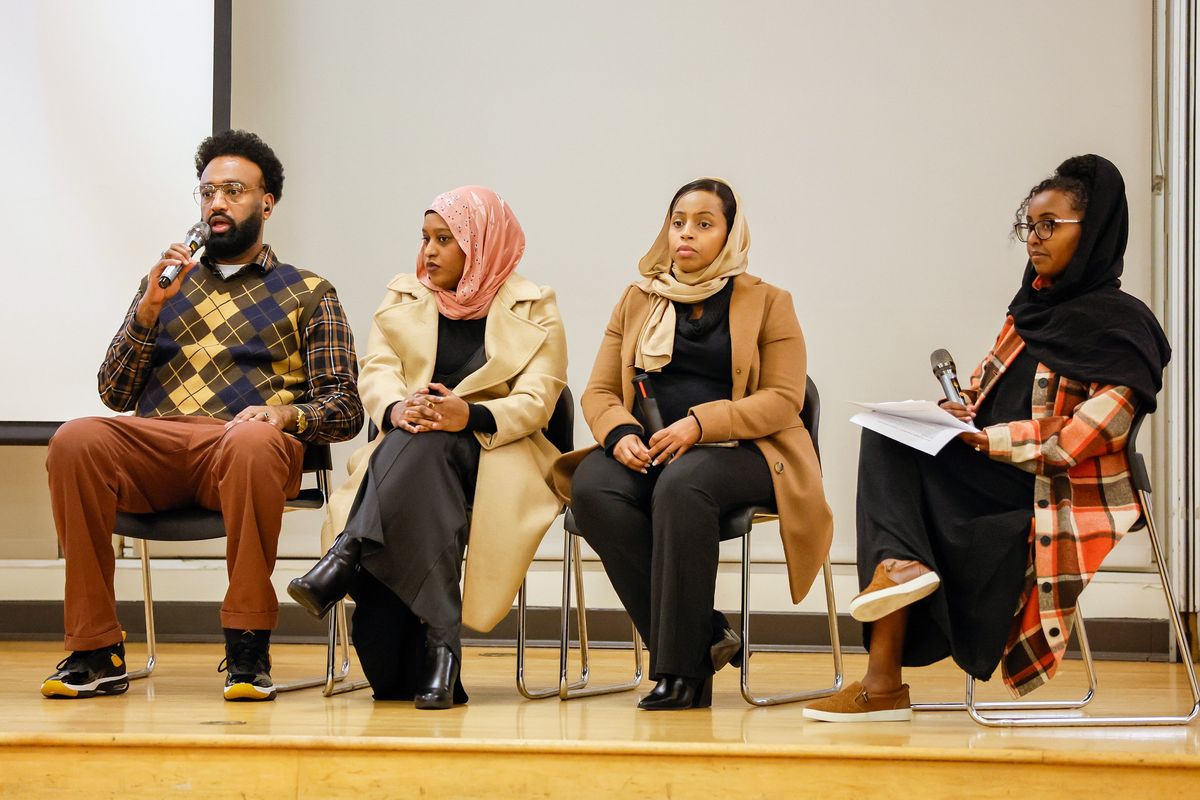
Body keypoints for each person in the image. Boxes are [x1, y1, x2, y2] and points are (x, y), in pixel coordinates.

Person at [804, 155, 1171, 722]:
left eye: (1050, 225)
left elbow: (1088, 436)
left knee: (897, 494)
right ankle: (899, 581)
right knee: (886, 435)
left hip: (1048, 490)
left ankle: (884, 678)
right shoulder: (1029, 312)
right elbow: (981, 389)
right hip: (988, 469)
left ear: (1093, 230)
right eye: (1029, 225)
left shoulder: (1125, 326)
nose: (1034, 238)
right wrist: (953, 412)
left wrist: (992, 439)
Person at [41, 130, 364, 702]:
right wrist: (147, 311)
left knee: (250, 443)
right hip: (156, 449)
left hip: (242, 448)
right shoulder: (165, 286)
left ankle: (248, 645)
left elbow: (344, 408)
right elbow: (114, 393)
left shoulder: (310, 292)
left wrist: (283, 417)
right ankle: (95, 649)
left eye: (234, 191)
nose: (218, 202)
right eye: (208, 192)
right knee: (74, 440)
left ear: (267, 203)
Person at [552, 178, 833, 710]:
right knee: (593, 487)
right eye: (678, 222)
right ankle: (702, 638)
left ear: (730, 233)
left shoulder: (770, 302)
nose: (687, 233)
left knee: (683, 485)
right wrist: (620, 433)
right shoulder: (638, 299)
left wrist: (700, 425)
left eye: (704, 224)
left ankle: (682, 674)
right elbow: (600, 391)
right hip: (656, 448)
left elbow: (783, 399)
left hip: (749, 453)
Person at [288, 186, 567, 709]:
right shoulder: (404, 296)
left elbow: (540, 399)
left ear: (480, 245)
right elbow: (377, 372)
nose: (429, 251)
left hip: (496, 451)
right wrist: (397, 409)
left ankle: (349, 551)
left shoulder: (535, 305)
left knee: (429, 443)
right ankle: (442, 646)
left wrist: (469, 414)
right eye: (425, 238)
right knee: (424, 447)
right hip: (414, 457)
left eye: (445, 239)